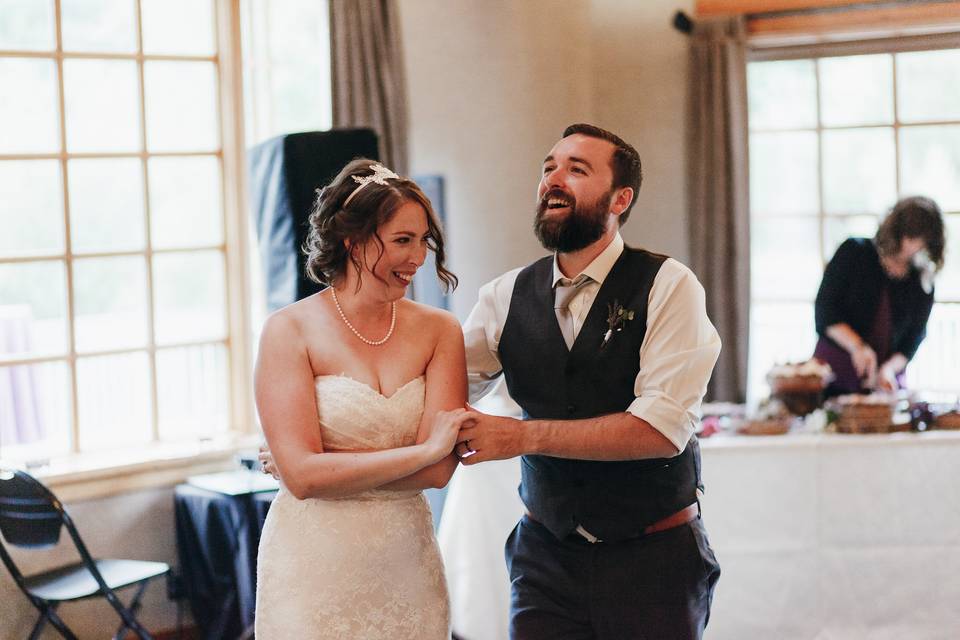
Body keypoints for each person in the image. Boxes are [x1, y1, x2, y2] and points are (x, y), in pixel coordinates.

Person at [454, 123, 722, 639]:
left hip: (654, 561)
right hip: (544, 560)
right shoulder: (503, 296)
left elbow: (660, 430)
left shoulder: (668, 285)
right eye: (549, 167)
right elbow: (436, 396)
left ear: (620, 198)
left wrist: (522, 436)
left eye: (577, 169)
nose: (554, 179)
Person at [253, 159, 472, 639]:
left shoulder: (440, 331)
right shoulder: (288, 331)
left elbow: (438, 473)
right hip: (312, 566)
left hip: (405, 564)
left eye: (423, 241)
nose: (417, 257)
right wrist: (422, 449)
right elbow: (305, 478)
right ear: (353, 241)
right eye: (402, 240)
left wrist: (332, 467)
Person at [813, 196, 946, 396]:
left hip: (885, 385)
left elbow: (914, 336)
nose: (913, 247)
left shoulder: (921, 280)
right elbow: (825, 311)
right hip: (835, 375)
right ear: (897, 232)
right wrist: (858, 347)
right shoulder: (854, 253)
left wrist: (889, 369)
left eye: (921, 242)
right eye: (910, 237)